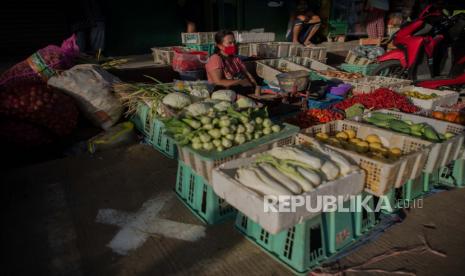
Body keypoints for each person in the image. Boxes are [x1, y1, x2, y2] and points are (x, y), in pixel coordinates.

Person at [205, 30, 261, 95]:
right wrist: (241, 82)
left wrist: (255, 86)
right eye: (230, 43)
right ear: (220, 46)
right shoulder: (215, 59)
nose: (233, 45)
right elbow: (217, 82)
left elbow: (248, 74)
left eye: (234, 42)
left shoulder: (235, 59)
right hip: (224, 95)